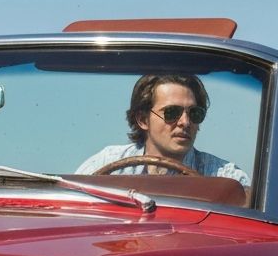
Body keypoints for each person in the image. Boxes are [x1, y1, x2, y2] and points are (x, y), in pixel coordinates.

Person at [76, 73, 249, 185]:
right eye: (172, 112)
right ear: (143, 120)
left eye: (194, 113)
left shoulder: (225, 179)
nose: (185, 122)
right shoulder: (106, 163)